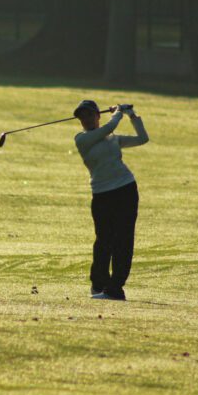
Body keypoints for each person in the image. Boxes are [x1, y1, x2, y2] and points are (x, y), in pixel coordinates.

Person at [73, 100, 149, 300]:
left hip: (126, 189)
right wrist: (117, 113)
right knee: (103, 241)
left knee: (123, 240)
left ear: (97, 115)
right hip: (101, 193)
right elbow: (109, 126)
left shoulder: (113, 138)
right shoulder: (81, 139)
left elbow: (143, 139)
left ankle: (115, 289)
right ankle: (99, 284)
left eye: (90, 115)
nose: (86, 120)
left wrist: (132, 115)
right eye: (82, 117)